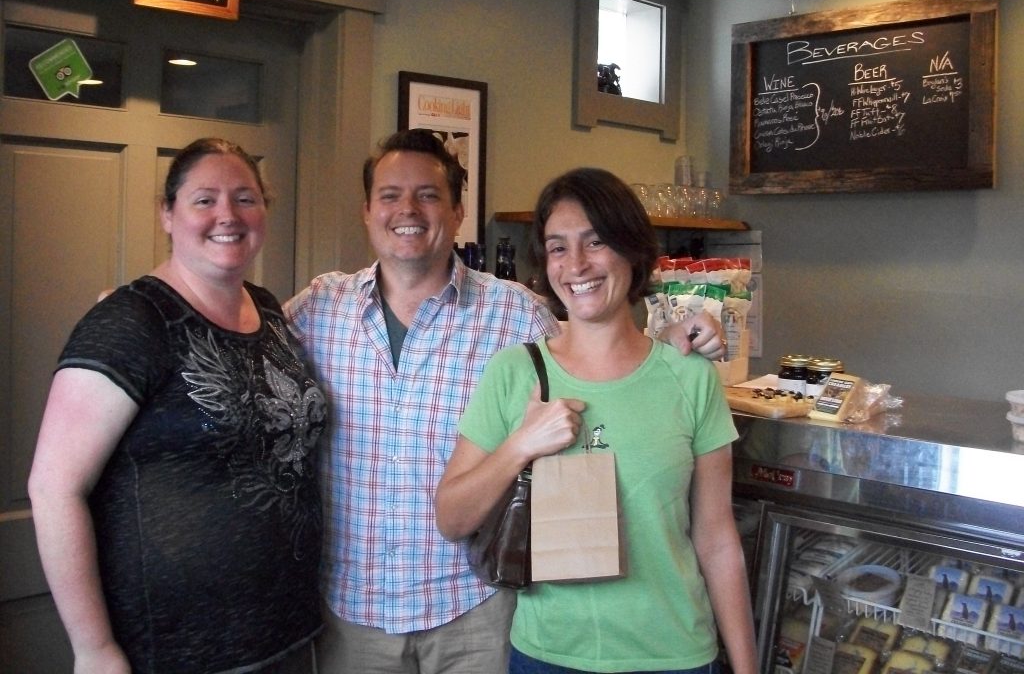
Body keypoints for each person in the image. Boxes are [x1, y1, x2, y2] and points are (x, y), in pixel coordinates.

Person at [285, 129, 726, 674]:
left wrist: (670, 345)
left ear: (457, 211)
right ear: (367, 210)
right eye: (390, 195)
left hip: (477, 608)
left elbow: (594, 350)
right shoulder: (317, 310)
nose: (408, 210)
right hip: (353, 611)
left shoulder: (514, 313)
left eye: (428, 194)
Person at [435, 167, 758, 674]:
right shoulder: (516, 372)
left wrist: (745, 666)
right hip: (548, 656)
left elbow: (717, 538)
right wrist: (521, 444)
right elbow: (452, 517)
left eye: (596, 241)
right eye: (558, 247)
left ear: (632, 250)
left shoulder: (689, 377)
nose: (577, 264)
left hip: (675, 655)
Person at [28, 138, 326, 674]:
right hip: (177, 650)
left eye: (245, 198)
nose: (227, 216)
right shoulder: (130, 323)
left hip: (285, 633)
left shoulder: (268, 309)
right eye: (204, 200)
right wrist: (94, 650)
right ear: (168, 214)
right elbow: (53, 488)